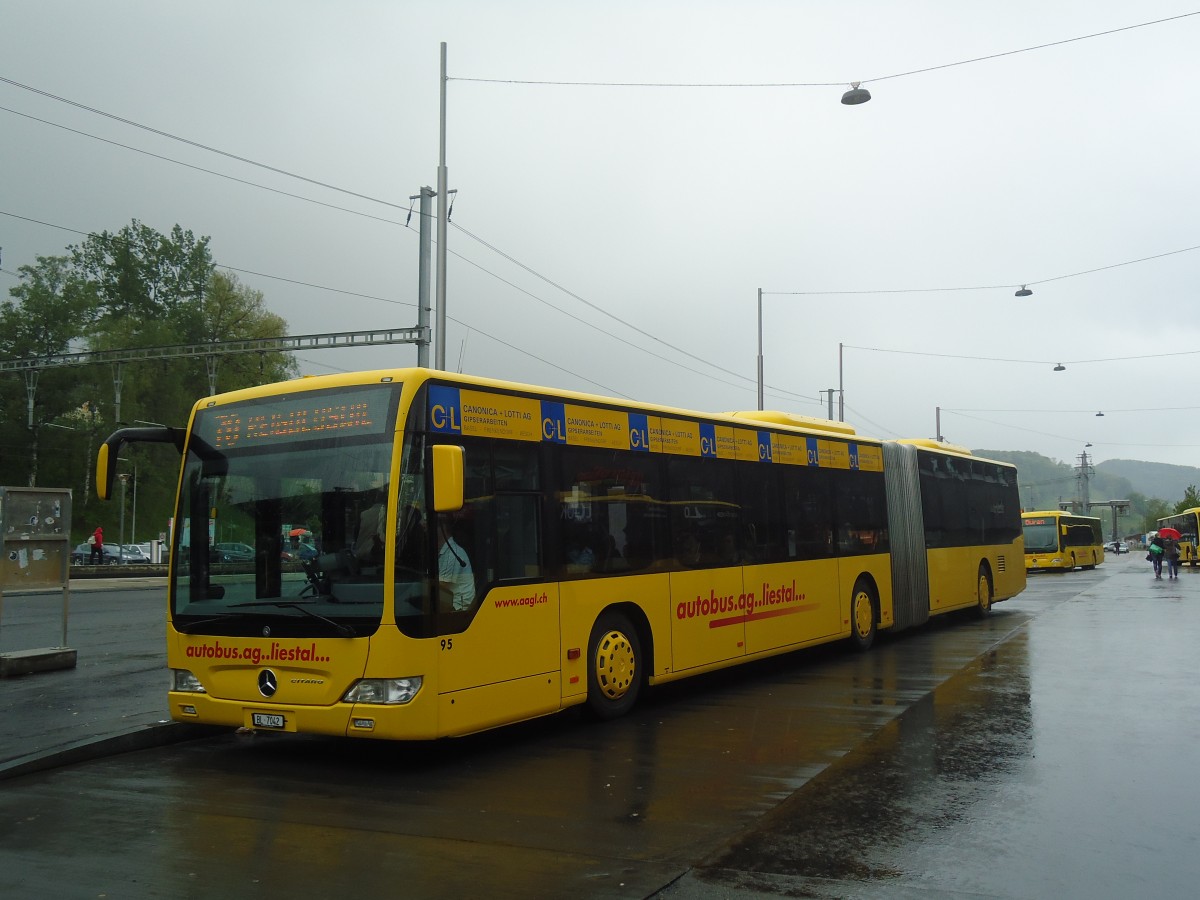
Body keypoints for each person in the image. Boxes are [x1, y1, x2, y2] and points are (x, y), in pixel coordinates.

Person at [438, 521, 475, 611]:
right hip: (450, 601)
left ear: (443, 530)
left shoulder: (452, 552)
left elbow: (442, 585)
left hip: (459, 607)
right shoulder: (444, 550)